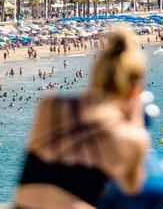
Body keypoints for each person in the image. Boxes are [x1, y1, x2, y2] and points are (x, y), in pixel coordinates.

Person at [14, 26, 150, 209]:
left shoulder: (50, 106)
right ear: (135, 89)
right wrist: (135, 120)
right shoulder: (133, 138)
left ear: (96, 73)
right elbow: (132, 187)